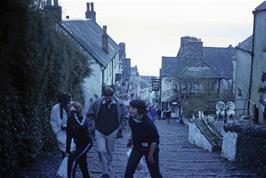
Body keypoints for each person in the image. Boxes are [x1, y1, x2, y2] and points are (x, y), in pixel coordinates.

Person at [87, 87, 127, 178]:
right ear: (104, 95)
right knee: (101, 150)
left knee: (109, 152)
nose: (109, 98)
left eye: (110, 96)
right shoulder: (97, 103)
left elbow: (125, 116)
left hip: (113, 131)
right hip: (99, 130)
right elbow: (90, 115)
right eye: (107, 96)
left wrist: (120, 128)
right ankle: (105, 171)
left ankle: (106, 170)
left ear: (113, 95)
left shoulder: (119, 104)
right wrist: (93, 126)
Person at [125, 99, 163, 178]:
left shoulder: (148, 124)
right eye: (130, 107)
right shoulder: (131, 119)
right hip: (137, 148)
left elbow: (154, 141)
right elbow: (134, 131)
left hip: (151, 149)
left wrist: (150, 156)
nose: (130, 110)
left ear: (139, 109)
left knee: (155, 173)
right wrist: (131, 140)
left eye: (133, 108)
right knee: (128, 172)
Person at [66, 102, 92, 178]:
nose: (71, 111)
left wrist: (73, 115)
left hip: (86, 143)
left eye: (73, 110)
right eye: (70, 110)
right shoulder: (70, 119)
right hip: (78, 144)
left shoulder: (83, 118)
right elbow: (69, 135)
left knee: (72, 159)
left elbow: (81, 126)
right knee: (82, 162)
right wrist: (67, 150)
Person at [50, 93, 74, 157]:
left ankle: (70, 163)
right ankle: (66, 161)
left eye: (67, 103)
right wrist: (57, 132)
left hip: (72, 131)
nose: (66, 105)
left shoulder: (73, 107)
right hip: (61, 132)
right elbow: (53, 121)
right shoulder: (55, 108)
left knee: (72, 148)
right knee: (64, 149)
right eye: (64, 103)